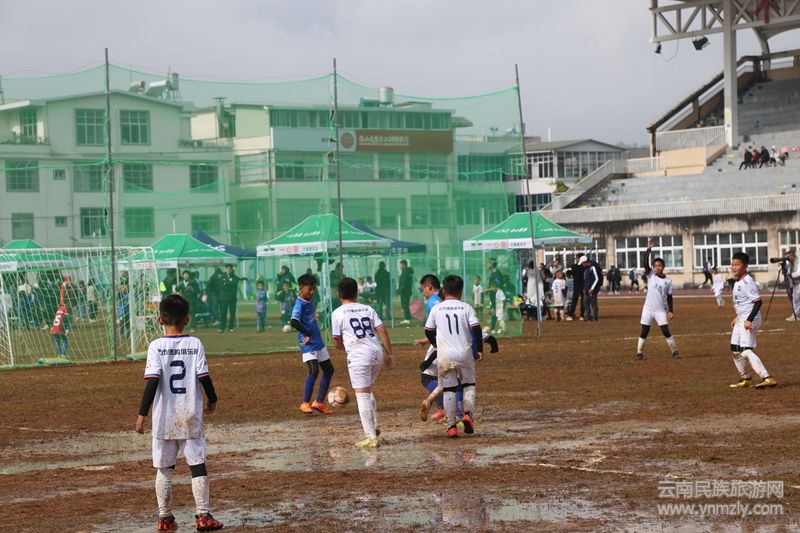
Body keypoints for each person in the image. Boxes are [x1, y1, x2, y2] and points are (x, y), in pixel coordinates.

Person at [135, 294, 224, 532]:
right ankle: (203, 516)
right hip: (190, 415)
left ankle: (164, 518)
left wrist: (142, 413)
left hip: (163, 418)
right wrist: (213, 399)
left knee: (164, 469)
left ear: (160, 319)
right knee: (197, 465)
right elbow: (204, 377)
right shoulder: (195, 344)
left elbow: (153, 382)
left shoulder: (155, 346)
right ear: (187, 319)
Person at [331, 277, 394, 448]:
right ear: (357, 293)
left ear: (338, 294)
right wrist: (389, 353)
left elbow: (336, 340)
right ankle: (375, 427)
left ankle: (371, 437)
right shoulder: (367, 308)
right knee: (367, 390)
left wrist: (348, 349)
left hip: (359, 355)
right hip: (376, 352)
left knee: (362, 395)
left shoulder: (337, 313)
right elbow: (382, 330)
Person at [423, 275, 483, 439]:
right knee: (468, 384)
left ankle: (451, 427)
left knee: (449, 389)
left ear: (444, 290)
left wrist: (435, 343)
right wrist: (479, 349)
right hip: (464, 352)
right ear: (461, 291)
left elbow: (428, 330)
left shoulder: (437, 308)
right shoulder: (466, 308)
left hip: (445, 355)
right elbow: (476, 328)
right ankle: (467, 415)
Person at [728, 252, 777, 389]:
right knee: (735, 350)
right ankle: (746, 379)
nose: (734, 267)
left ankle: (767, 377)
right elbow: (744, 302)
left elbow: (758, 302)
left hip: (750, 318)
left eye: (737, 265)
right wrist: (737, 317)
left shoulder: (747, 282)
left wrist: (749, 320)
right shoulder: (738, 281)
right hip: (741, 318)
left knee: (745, 350)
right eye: (732, 264)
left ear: (745, 266)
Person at [291, 273, 334, 415]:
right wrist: (307, 333)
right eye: (309, 289)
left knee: (329, 370)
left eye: (314, 289)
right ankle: (305, 403)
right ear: (301, 287)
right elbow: (293, 322)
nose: (312, 292)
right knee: (314, 370)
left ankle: (319, 402)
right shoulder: (299, 304)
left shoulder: (310, 301)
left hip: (318, 341)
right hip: (307, 343)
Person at [635, 239, 679, 360]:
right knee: (644, 332)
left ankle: (675, 351)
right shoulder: (651, 276)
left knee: (665, 331)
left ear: (663, 267)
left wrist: (671, 310)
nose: (657, 267)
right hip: (648, 309)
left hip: (660, 310)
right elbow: (645, 263)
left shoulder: (668, 281)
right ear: (653, 268)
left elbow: (669, 296)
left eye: (660, 265)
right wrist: (649, 249)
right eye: (655, 266)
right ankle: (639, 353)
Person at [217, 264, 240, 333]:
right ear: (225, 269)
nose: (229, 270)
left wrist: (226, 284)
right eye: (227, 269)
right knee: (223, 314)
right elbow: (221, 286)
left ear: (232, 270)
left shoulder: (235, 277)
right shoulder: (222, 277)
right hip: (223, 299)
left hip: (232, 299)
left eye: (230, 269)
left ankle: (231, 327)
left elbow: (234, 285)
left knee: (232, 314)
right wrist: (229, 284)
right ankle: (222, 327)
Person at [581, 255, 601, 321]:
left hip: (592, 290)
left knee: (593, 304)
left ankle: (594, 317)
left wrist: (592, 288)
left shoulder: (592, 268)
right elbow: (585, 280)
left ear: (585, 262)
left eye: (582, 263)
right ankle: (588, 316)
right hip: (586, 289)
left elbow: (596, 279)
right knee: (585, 303)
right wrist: (584, 288)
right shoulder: (585, 269)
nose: (582, 265)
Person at [784, 248, 800, 321]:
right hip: (795, 284)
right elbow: (788, 275)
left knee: (796, 300)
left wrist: (791, 275)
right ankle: (796, 315)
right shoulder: (789, 264)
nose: (788, 259)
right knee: (795, 300)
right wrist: (790, 286)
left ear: (792, 255)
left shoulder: (799, 261)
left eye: (788, 257)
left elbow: (799, 273)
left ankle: (795, 315)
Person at [397, 260, 414, 325]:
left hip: (405, 291)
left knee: (405, 305)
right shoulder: (407, 272)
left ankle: (407, 318)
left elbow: (403, 283)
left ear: (404, 265)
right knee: (405, 304)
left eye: (401, 265)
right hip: (407, 291)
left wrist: (399, 291)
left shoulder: (405, 273)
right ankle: (408, 317)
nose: (400, 266)